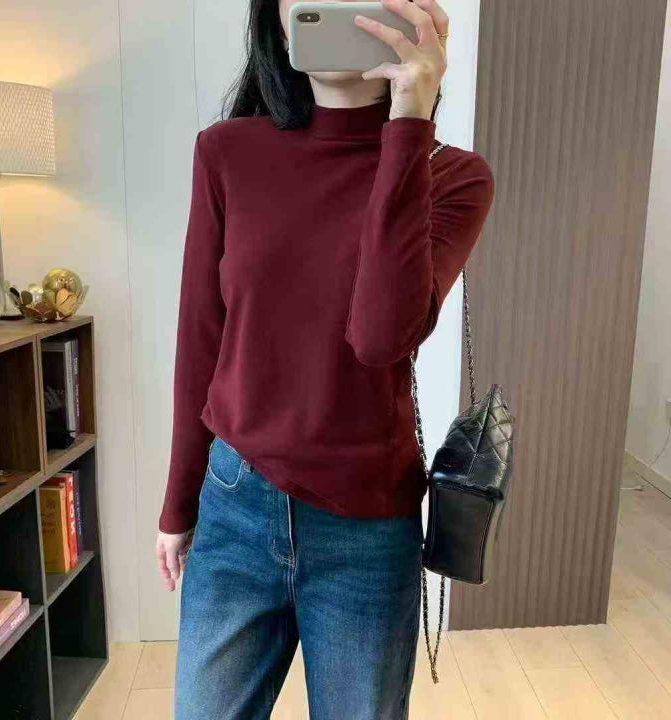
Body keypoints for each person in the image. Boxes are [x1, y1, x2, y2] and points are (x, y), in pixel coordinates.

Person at [157, 1, 494, 717]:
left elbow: (380, 337)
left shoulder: (453, 176)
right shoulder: (227, 153)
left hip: (366, 528)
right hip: (234, 503)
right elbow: (200, 337)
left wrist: (409, 119)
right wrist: (179, 501)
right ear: (277, 19)